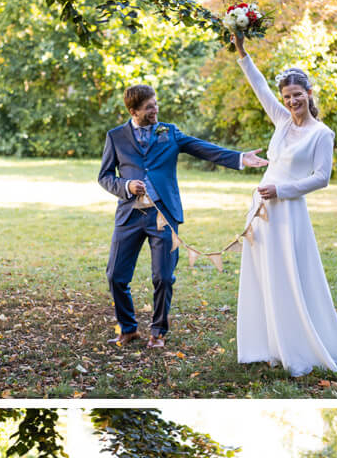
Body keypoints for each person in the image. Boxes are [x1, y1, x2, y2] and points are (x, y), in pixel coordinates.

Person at [230, 30, 337, 376]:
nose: (291, 102)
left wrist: (283, 190)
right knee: (264, 278)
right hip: (261, 212)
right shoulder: (282, 121)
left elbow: (322, 177)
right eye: (287, 96)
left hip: (289, 212)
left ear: (309, 94)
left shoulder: (322, 134)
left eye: (297, 95)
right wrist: (242, 51)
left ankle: (296, 347)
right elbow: (259, 87)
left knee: (288, 278)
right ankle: (269, 347)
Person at [97, 84, 264, 349]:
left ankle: (158, 332)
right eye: (149, 107)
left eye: (156, 104)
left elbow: (204, 149)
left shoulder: (169, 132)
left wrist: (241, 158)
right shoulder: (116, 136)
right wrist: (126, 186)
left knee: (163, 277)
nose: (155, 110)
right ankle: (128, 329)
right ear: (133, 111)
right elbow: (105, 176)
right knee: (115, 275)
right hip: (129, 216)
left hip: (164, 214)